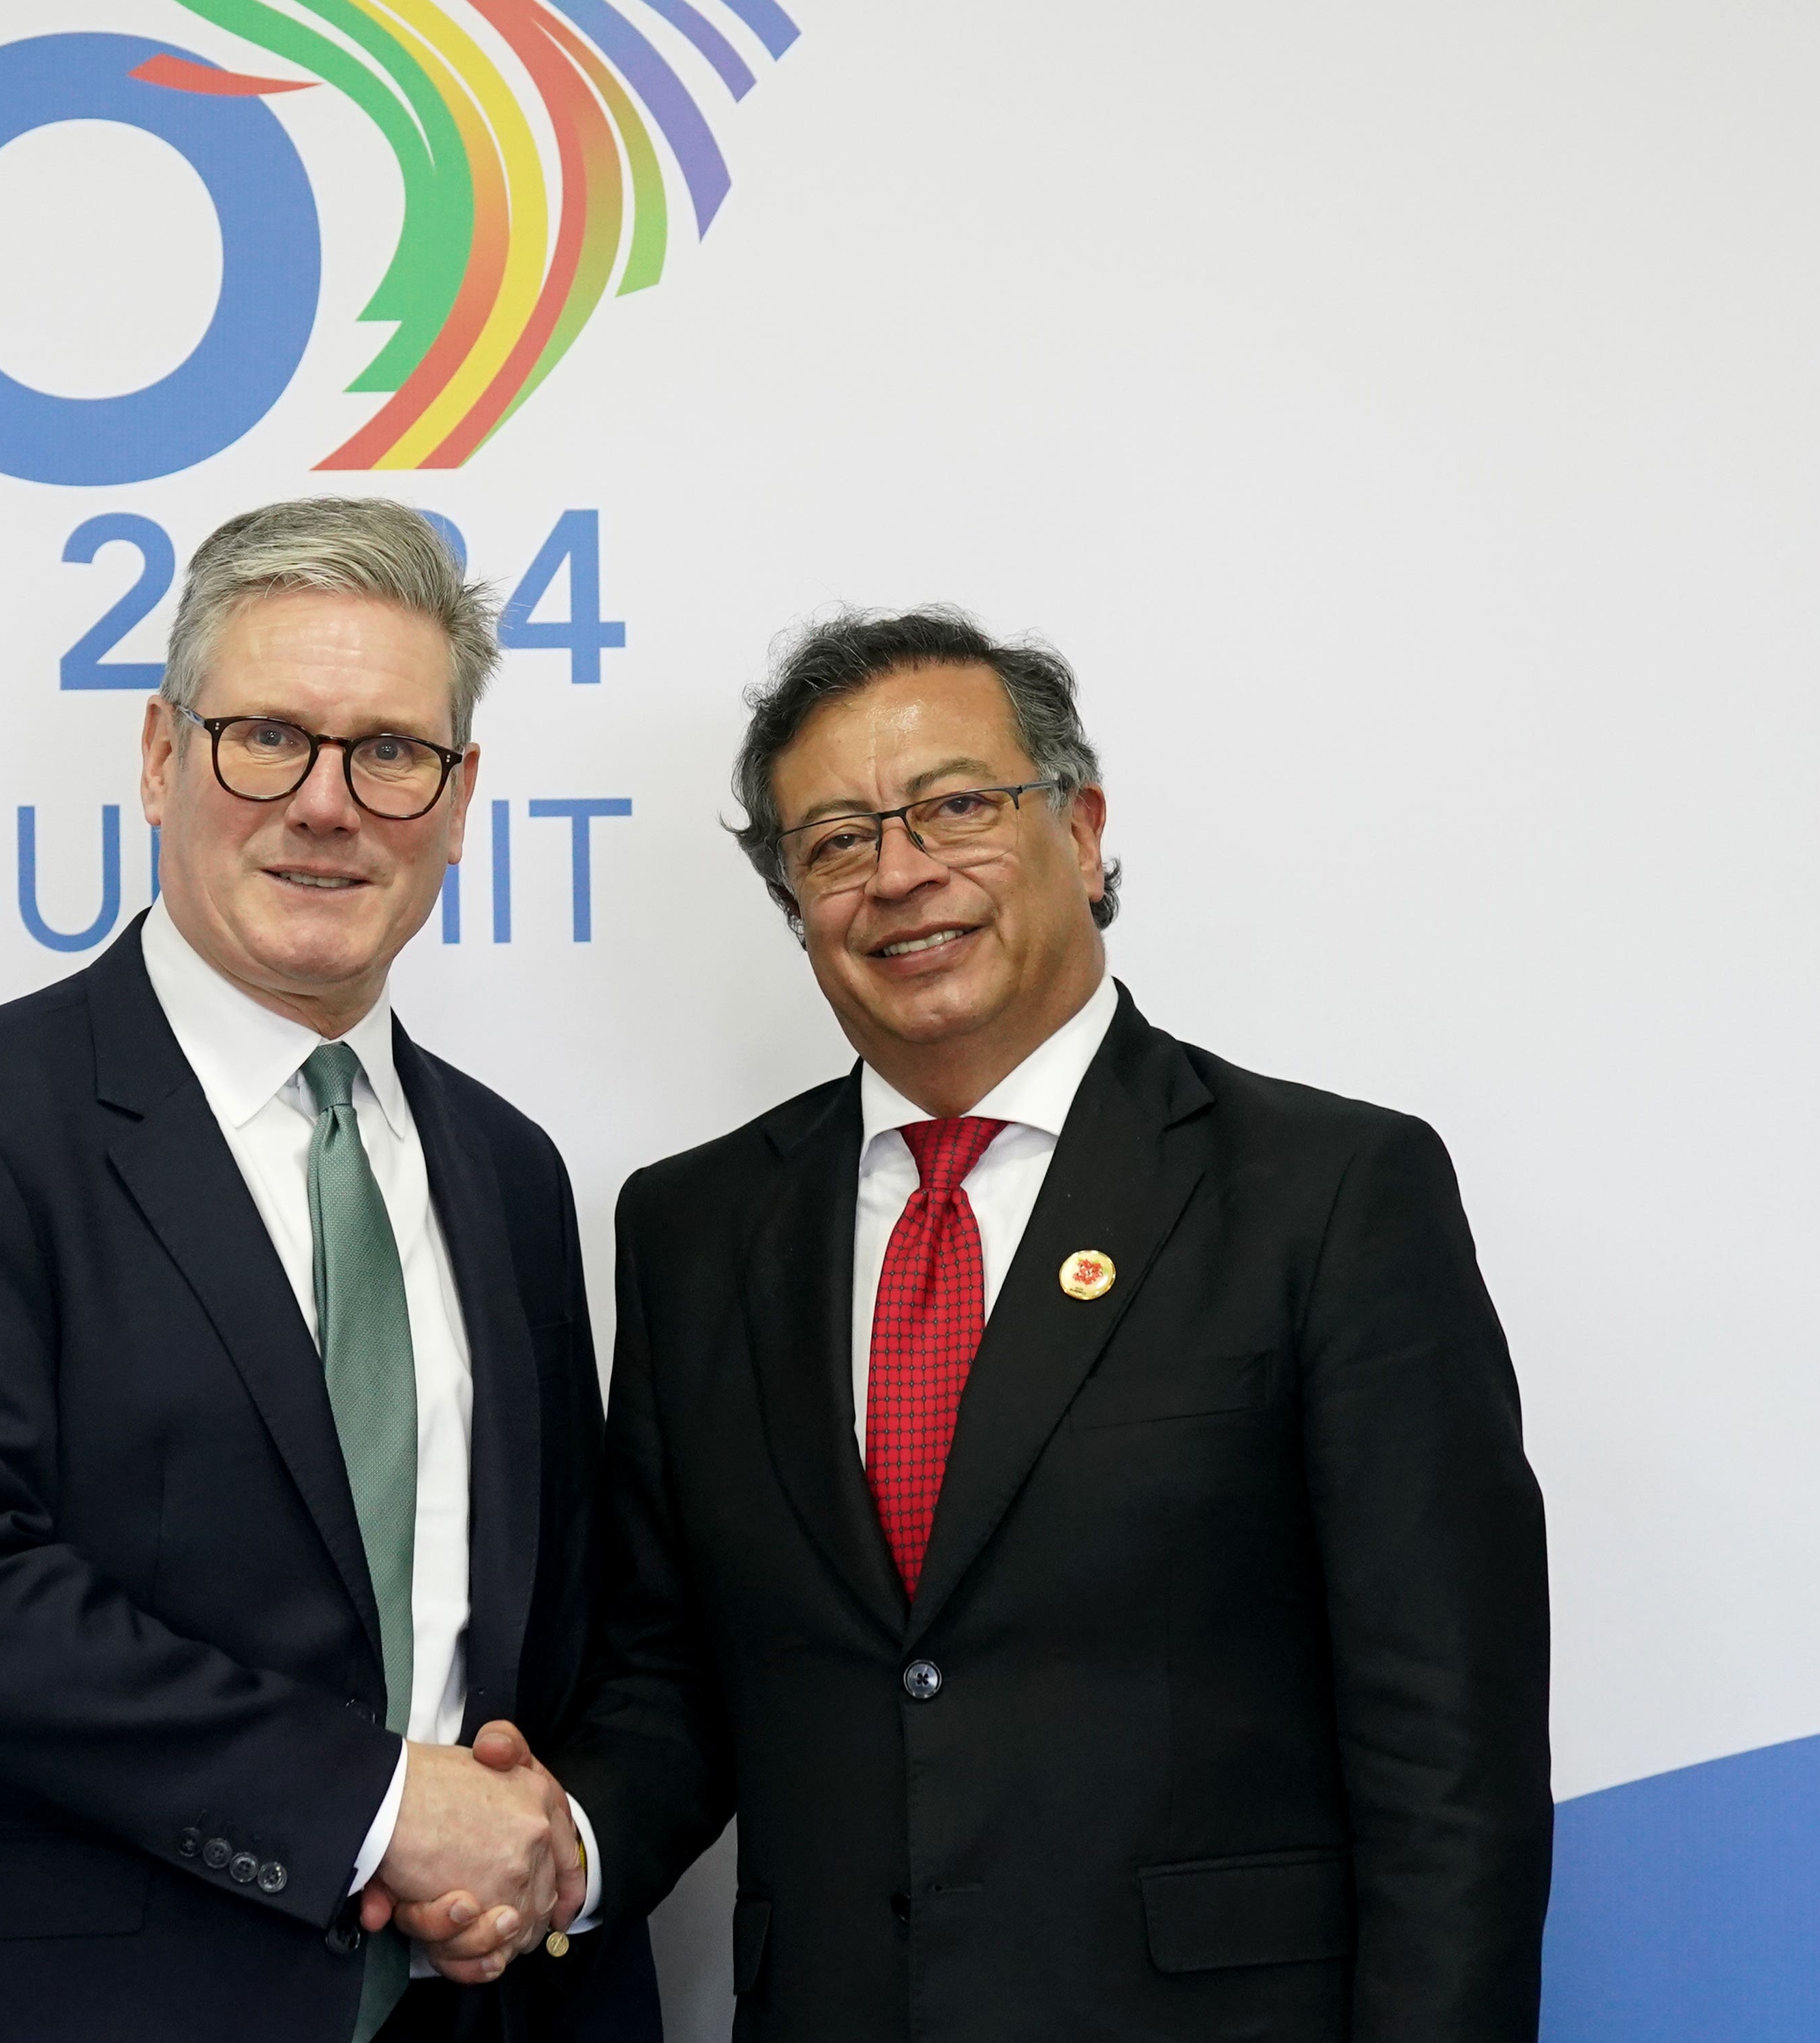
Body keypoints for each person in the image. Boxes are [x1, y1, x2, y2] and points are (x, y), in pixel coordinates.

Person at [479, 610, 1552, 2038]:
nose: (900, 872)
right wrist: (556, 1845)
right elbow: (673, 1674)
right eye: (836, 840)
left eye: (956, 806)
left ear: (1083, 827)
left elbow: (1449, 1758)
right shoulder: (694, 1228)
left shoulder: (1329, 1193)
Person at [0, 498, 656, 2043]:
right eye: (267, 738)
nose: (326, 802)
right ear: (164, 758)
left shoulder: (510, 1175)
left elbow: (560, 1636)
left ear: (458, 802)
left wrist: (531, 1847)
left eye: (390, 752)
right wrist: (383, 1808)